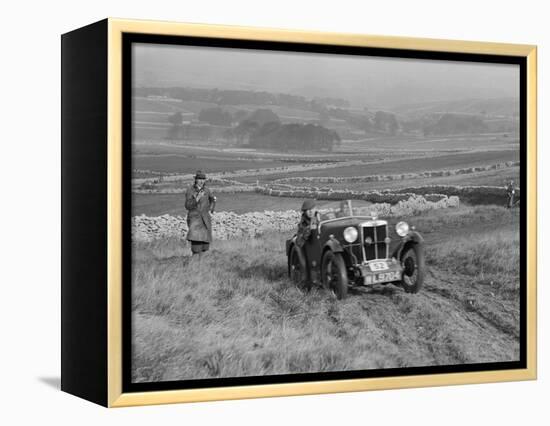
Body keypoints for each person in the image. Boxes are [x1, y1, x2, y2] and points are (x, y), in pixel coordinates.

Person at [185, 170, 217, 256]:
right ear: (196, 180)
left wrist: (211, 208)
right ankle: (195, 265)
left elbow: (212, 199)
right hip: (195, 219)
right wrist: (196, 199)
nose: (202, 181)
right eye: (199, 179)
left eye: (203, 179)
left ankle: (203, 266)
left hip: (205, 220)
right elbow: (187, 206)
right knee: (196, 247)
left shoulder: (207, 190)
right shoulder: (190, 190)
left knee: (205, 247)